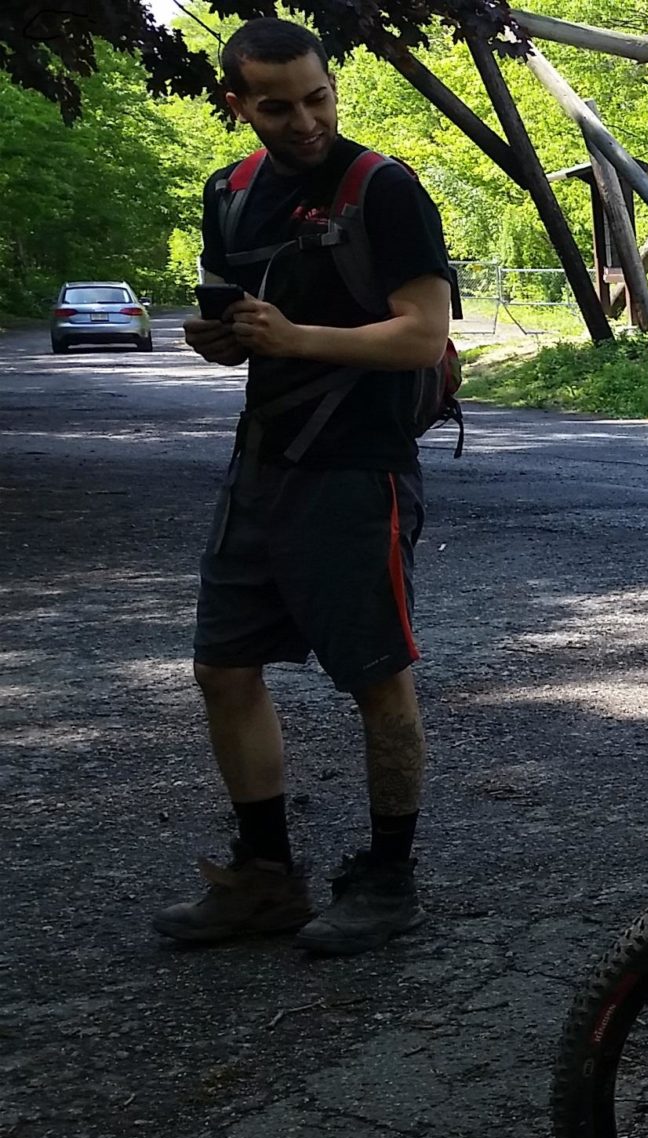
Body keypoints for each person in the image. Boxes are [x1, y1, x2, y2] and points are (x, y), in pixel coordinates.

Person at [158, 17, 453, 955]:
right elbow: (232, 318)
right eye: (278, 106)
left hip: (359, 469)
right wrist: (222, 340)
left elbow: (422, 335)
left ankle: (389, 878)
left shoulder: (385, 189)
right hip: (264, 465)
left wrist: (297, 340)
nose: (307, 120)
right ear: (238, 104)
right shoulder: (229, 194)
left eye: (318, 97)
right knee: (222, 669)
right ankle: (265, 877)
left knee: (376, 678)